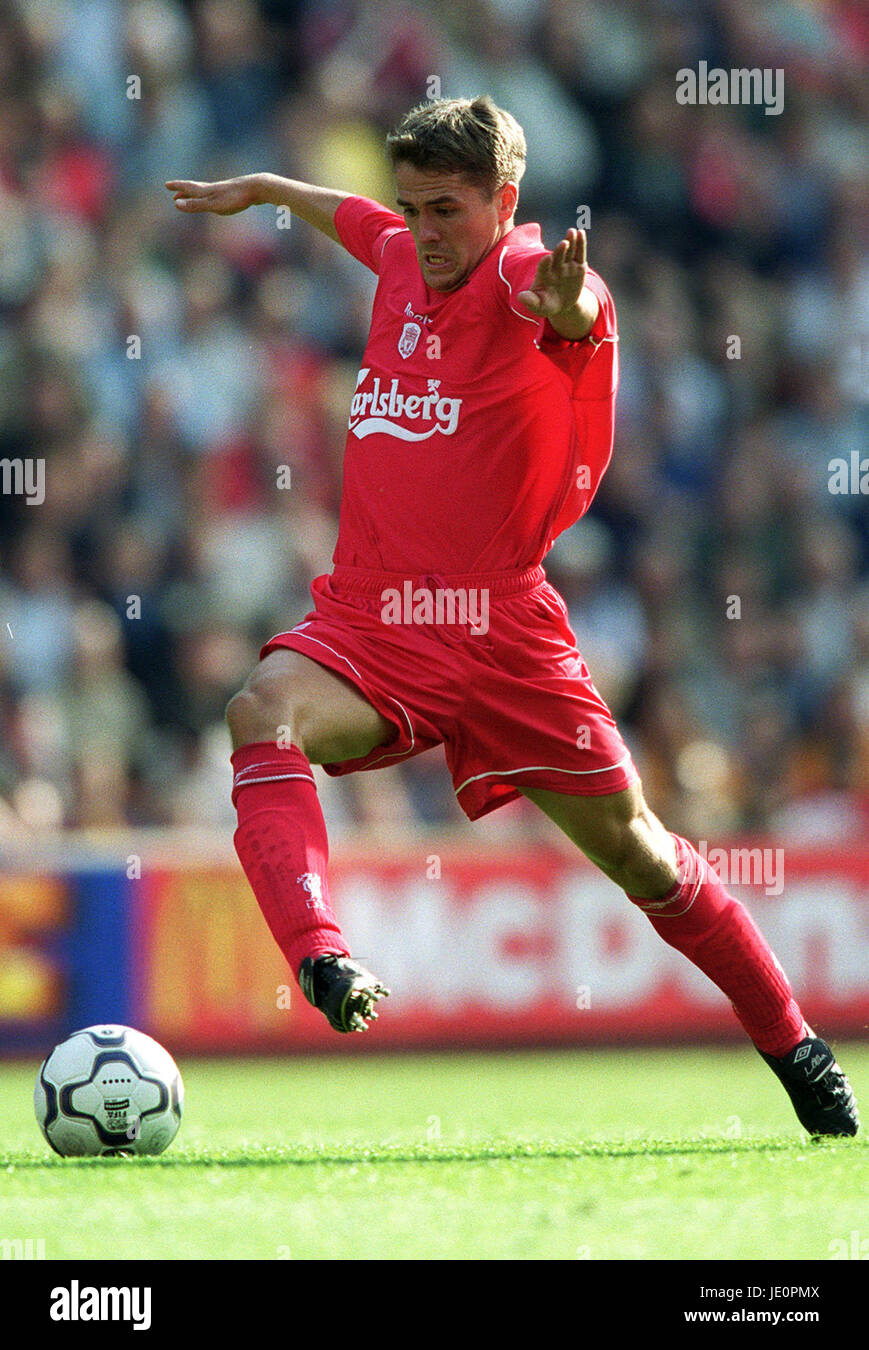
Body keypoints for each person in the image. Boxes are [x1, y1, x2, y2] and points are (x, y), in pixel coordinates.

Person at [167, 95, 857, 1137]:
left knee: (639, 854)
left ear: (504, 203)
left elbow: (564, 307)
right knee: (260, 707)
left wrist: (573, 309)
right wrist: (264, 189)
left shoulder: (525, 276)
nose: (425, 231)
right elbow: (349, 212)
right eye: (414, 207)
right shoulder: (402, 252)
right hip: (375, 621)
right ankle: (321, 954)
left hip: (504, 636)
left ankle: (795, 1044)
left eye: (447, 209)